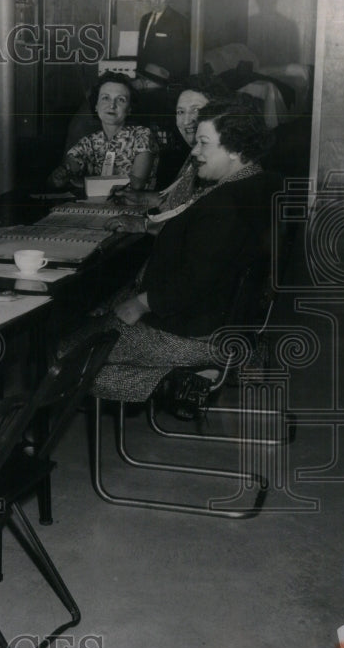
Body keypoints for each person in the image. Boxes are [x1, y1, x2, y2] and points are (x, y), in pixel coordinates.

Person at [66, 99, 279, 401]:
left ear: (235, 150)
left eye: (204, 143)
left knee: (67, 357)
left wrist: (140, 303)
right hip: (229, 320)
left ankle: (174, 382)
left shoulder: (225, 205)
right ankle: (214, 367)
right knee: (96, 323)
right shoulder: (262, 182)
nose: (194, 151)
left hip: (193, 331)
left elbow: (194, 282)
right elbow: (212, 254)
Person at [106, 77, 233, 234]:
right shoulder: (195, 154)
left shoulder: (219, 159)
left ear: (217, 114)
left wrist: (145, 225)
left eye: (196, 110)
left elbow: (203, 224)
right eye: (180, 112)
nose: (186, 121)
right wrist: (142, 198)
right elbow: (184, 199)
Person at [48, 72, 158, 191]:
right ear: (96, 105)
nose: (112, 105)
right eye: (105, 98)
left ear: (129, 109)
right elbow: (67, 171)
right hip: (96, 207)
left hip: (135, 207)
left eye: (121, 100)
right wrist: (60, 176)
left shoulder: (142, 135)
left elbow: (137, 184)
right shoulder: (89, 141)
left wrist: (84, 183)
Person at [136, 0, 190, 80]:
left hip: (164, 80)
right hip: (143, 77)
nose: (157, 3)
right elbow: (142, 51)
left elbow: (181, 60)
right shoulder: (145, 19)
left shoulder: (179, 21)